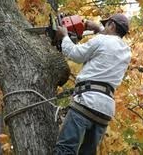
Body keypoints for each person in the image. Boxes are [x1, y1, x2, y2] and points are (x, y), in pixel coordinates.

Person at [53, 13, 131, 155]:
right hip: (105, 111)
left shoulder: (102, 40)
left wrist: (64, 36)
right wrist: (98, 27)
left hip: (87, 102)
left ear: (112, 25)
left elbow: (75, 53)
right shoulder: (126, 52)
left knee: (65, 149)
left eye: (107, 24)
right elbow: (109, 43)